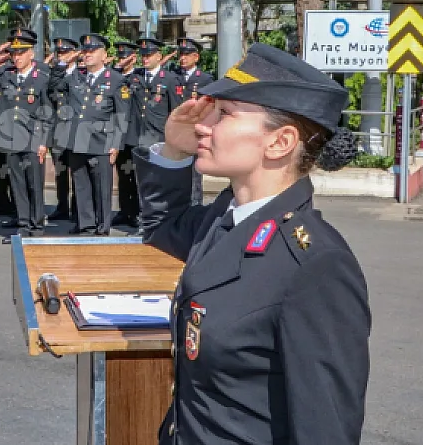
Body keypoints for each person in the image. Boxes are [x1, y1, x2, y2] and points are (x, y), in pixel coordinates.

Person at [135, 42, 370, 445]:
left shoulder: (316, 266)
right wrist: (174, 148)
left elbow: (325, 430)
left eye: (223, 114)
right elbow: (161, 226)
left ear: (279, 142)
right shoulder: (226, 217)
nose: (203, 125)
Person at [49, 33, 129, 235]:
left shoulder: (116, 80)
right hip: (78, 140)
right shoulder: (75, 77)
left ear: (104, 55)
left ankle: (102, 226)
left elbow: (122, 114)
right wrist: (62, 63)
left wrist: (116, 144)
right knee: (81, 185)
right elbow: (53, 86)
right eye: (85, 51)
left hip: (102, 141)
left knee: (102, 187)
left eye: (93, 51)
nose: (88, 54)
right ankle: (86, 224)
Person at [0, 32, 54, 242]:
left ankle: (37, 225)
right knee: (18, 184)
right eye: (14, 53)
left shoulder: (41, 77)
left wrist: (43, 142)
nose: (17, 57)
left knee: (34, 184)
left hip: (32, 139)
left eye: (21, 53)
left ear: (31, 53)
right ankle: (23, 224)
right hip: (11, 138)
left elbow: (47, 112)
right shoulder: (6, 74)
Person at [113, 38, 177, 230]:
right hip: (136, 136)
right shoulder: (135, 77)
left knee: (155, 182)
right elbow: (112, 81)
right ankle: (141, 216)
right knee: (137, 179)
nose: (145, 59)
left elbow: (175, 112)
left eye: (149, 55)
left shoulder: (170, 79)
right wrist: (118, 66)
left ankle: (158, 219)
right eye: (143, 56)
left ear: (159, 56)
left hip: (157, 137)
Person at [172, 37, 215, 204]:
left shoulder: (204, 79)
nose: (183, 58)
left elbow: (208, 107)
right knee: (175, 175)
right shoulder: (173, 76)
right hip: (176, 133)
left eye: (187, 55)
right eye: (181, 54)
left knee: (194, 175)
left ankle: (195, 209)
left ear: (196, 57)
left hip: (193, 131)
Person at [47, 37, 79, 223]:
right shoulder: (55, 73)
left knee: (77, 172)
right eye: (59, 53)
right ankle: (61, 206)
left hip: (75, 130)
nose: (62, 56)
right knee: (60, 171)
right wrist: (60, 65)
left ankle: (76, 208)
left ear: (74, 53)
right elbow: (52, 87)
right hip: (58, 129)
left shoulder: (81, 74)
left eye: (66, 52)